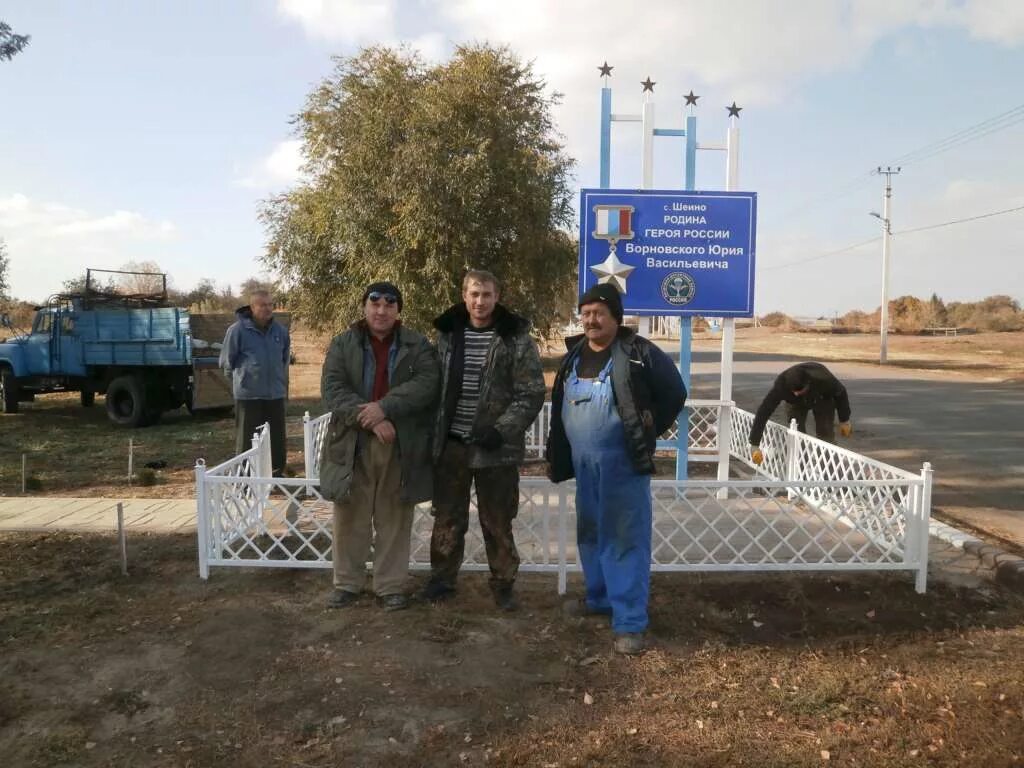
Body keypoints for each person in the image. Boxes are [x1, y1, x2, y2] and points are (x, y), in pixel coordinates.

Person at [546, 283, 686, 655]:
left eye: (599, 313)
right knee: (590, 532)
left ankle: (629, 621)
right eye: (586, 313)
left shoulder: (639, 352)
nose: (591, 320)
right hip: (584, 463)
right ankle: (600, 600)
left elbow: (675, 394)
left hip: (622, 464)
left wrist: (647, 429)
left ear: (615, 317)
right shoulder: (574, 355)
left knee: (624, 538)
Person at [421, 269, 546, 611]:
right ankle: (442, 580)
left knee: (497, 520)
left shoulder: (515, 337)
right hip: (452, 446)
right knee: (447, 516)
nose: (480, 301)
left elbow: (531, 392)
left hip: (496, 448)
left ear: (497, 297)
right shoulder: (448, 334)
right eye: (474, 294)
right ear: (464, 296)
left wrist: (501, 430)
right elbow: (435, 385)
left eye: (487, 295)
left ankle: (504, 584)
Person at [319, 281, 440, 611]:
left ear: (398, 310)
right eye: (375, 303)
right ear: (364, 307)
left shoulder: (418, 346)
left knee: (394, 518)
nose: (381, 310)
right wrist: (371, 418)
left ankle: (390, 586)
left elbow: (427, 385)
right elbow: (333, 389)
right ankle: (347, 584)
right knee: (349, 517)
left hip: (399, 444)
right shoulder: (343, 344)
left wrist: (386, 407)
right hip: (352, 443)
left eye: (389, 304)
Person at [220, 289, 291, 476]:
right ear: (252, 308)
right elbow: (227, 362)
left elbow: (284, 360)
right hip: (248, 396)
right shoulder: (237, 331)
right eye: (262, 305)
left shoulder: (280, 332)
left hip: (275, 394)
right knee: (246, 441)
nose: (267, 309)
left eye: (270, 305)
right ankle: (245, 480)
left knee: (276, 439)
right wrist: (243, 381)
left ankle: (276, 476)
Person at [748, 361, 853, 465]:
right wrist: (754, 444)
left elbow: (841, 392)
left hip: (822, 397)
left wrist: (844, 419)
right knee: (797, 433)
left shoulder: (823, 378)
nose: (797, 394)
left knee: (825, 433)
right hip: (795, 403)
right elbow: (764, 411)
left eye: (800, 391)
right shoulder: (781, 385)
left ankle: (828, 469)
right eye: (795, 392)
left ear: (808, 383)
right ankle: (800, 469)